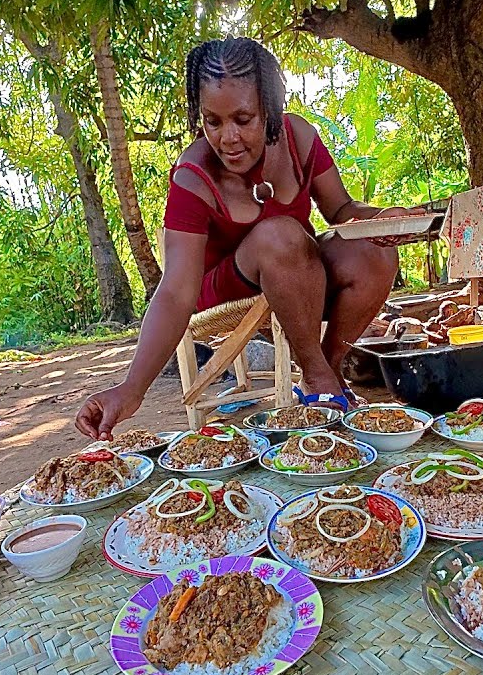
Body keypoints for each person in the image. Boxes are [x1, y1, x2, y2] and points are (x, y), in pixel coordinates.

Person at [75, 38, 410, 441]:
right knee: (280, 234)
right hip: (224, 286)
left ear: (270, 108)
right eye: (212, 121)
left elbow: (340, 210)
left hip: (300, 275)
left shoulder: (300, 137)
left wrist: (382, 220)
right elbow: (175, 292)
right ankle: (319, 379)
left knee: (375, 252)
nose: (228, 138)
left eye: (243, 118)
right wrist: (131, 388)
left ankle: (328, 369)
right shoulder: (192, 177)